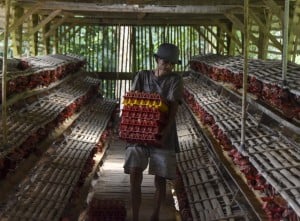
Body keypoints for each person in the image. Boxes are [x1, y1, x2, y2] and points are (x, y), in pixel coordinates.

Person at [123, 43, 183, 221]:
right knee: (134, 172)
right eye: (165, 62)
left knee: (160, 177)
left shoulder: (175, 80)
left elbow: (172, 110)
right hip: (140, 132)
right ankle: (134, 216)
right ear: (157, 60)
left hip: (163, 133)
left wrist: (164, 131)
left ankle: (155, 215)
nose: (168, 66)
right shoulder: (142, 75)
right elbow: (132, 101)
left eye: (172, 63)